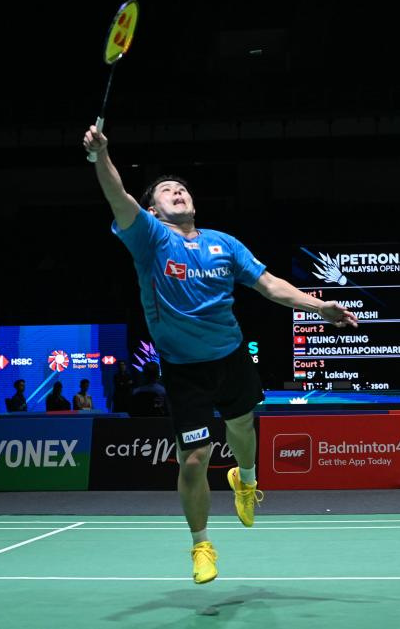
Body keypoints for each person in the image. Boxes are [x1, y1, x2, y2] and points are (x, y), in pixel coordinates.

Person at [83, 124, 358, 585]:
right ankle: (201, 544)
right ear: (153, 208)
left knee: (242, 425)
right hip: (183, 368)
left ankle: (246, 482)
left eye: (183, 188)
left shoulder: (224, 243)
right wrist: (102, 157)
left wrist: (320, 307)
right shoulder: (148, 238)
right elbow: (118, 197)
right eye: (168, 190)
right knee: (194, 457)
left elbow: (270, 286)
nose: (178, 192)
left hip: (229, 356)